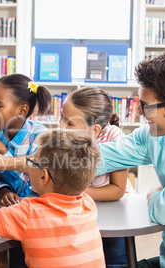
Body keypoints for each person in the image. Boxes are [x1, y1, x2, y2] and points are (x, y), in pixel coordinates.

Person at [0, 47, 165, 268]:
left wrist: (155, 194)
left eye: (146, 106)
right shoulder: (153, 135)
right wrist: (2, 162)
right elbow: (79, 159)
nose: (141, 113)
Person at [0, 129, 106, 268]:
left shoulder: (28, 213)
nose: (28, 164)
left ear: (43, 176)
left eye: (32, 161)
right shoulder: (88, 203)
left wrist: (8, 213)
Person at [59, 86, 132, 268]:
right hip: (83, 207)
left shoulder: (114, 138)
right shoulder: (64, 139)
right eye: (61, 117)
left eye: (69, 122)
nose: (60, 126)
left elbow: (117, 190)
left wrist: (76, 191)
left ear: (94, 130)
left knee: (114, 260)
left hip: (114, 210)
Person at [0, 73, 51, 208]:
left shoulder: (39, 138)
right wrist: (2, 190)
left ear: (22, 111)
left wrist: (1, 148)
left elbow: (26, 187)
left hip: (34, 208)